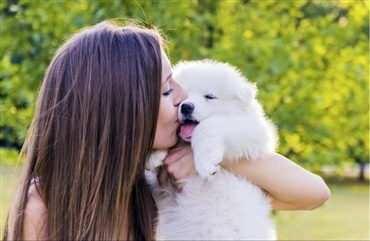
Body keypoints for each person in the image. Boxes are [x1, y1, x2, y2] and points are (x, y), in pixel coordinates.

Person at [3, 20, 330, 241]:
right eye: (166, 90)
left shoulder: (168, 180)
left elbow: (312, 192)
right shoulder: (44, 206)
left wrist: (211, 153)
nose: (183, 96)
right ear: (123, 109)